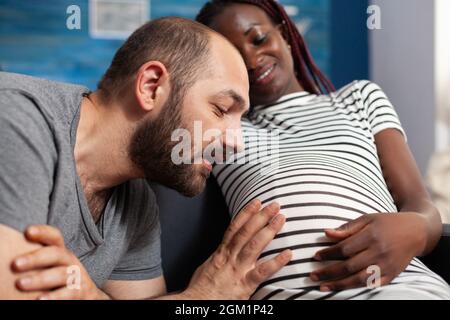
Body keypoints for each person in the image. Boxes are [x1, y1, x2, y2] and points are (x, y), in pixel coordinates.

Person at [0, 17, 292, 300]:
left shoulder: (136, 208)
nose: (236, 142)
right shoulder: (16, 118)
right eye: (220, 109)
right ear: (151, 86)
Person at [196, 0, 450, 299]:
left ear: (286, 35)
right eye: (235, 58)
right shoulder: (220, 131)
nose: (252, 60)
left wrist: (415, 231)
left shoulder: (359, 98)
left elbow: (422, 207)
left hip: (403, 289)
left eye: (259, 39)